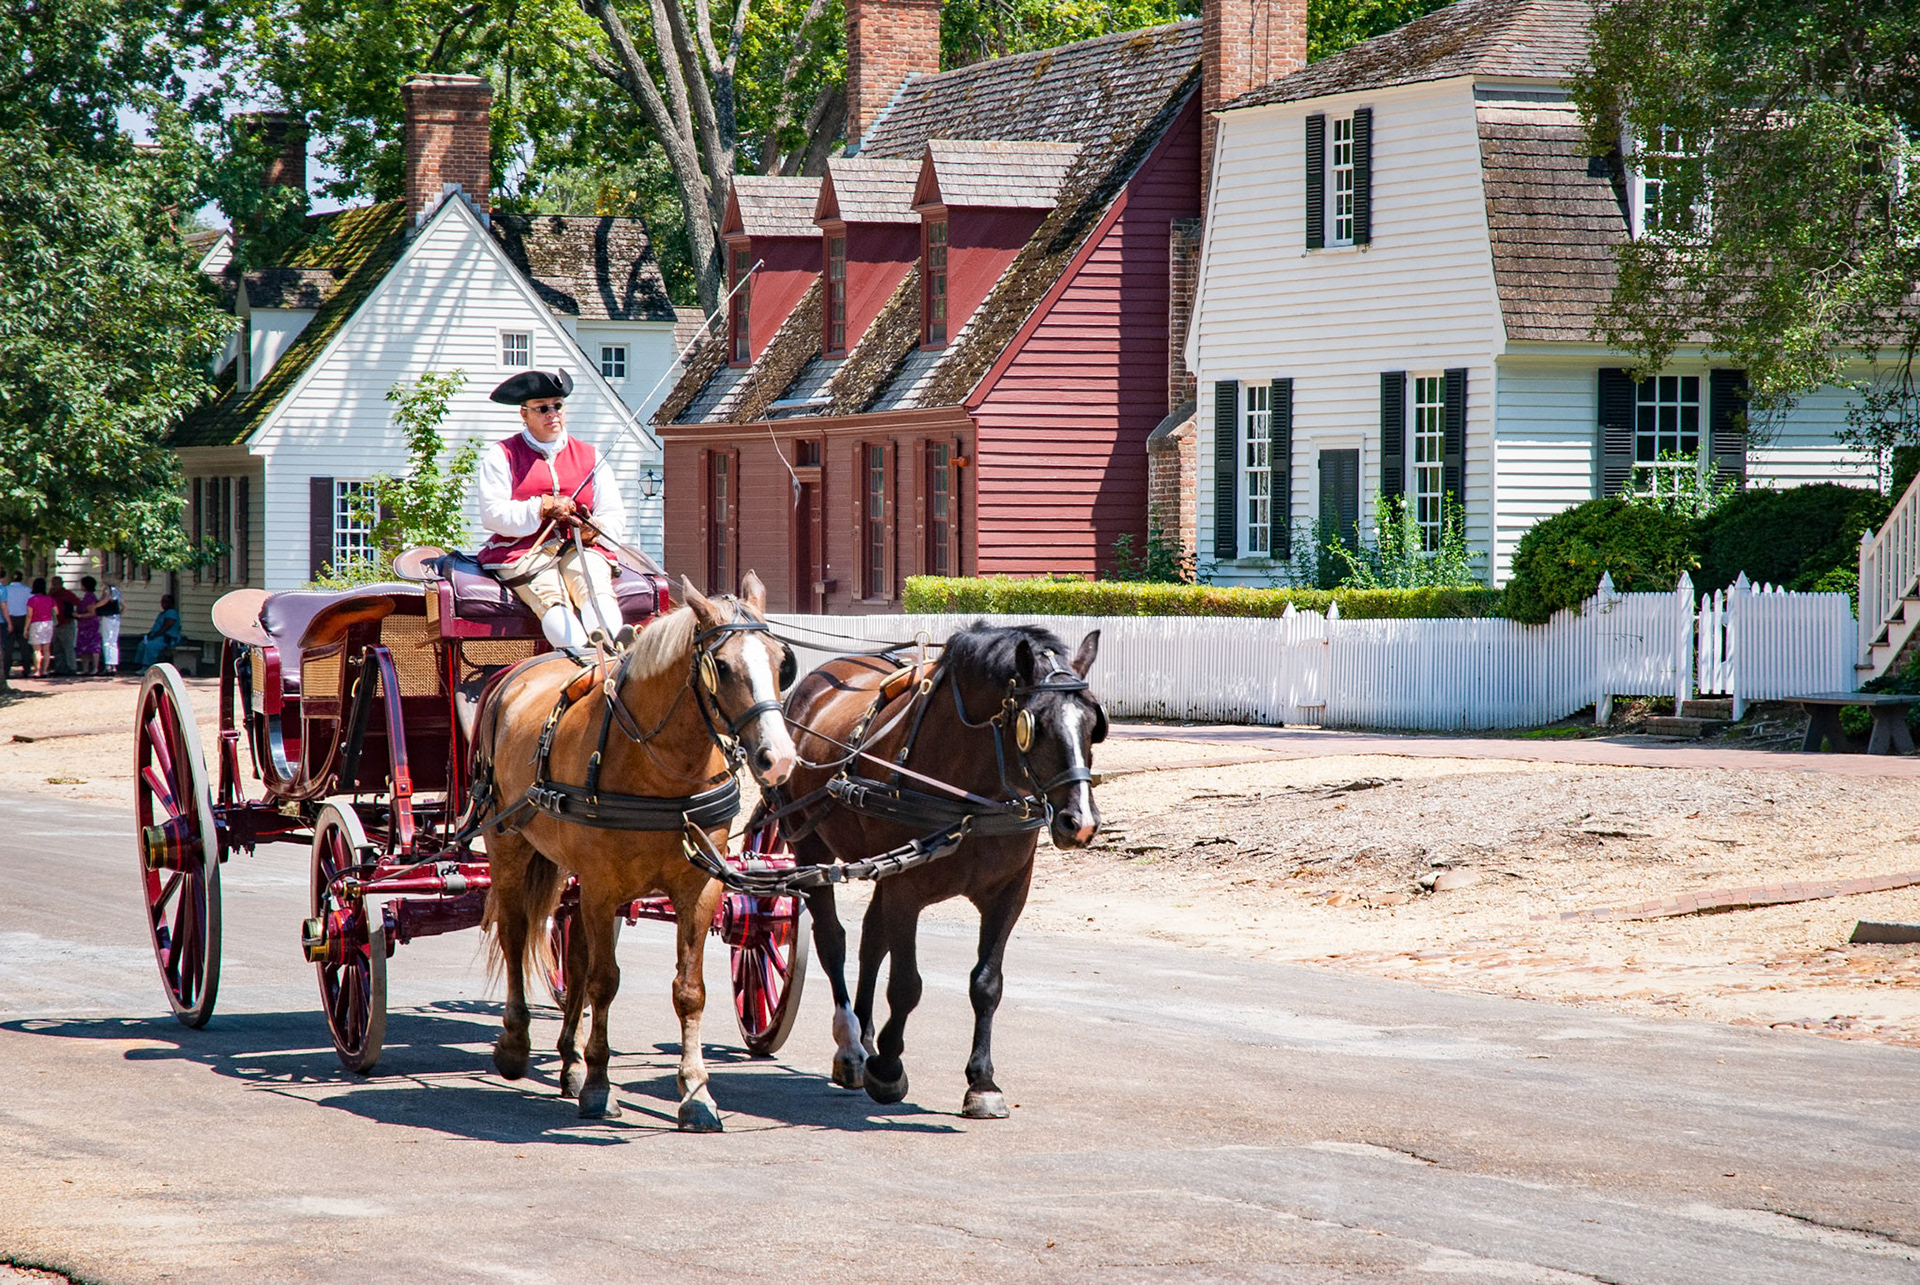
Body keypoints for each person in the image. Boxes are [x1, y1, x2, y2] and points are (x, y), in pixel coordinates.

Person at [474, 369, 630, 650]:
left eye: (557, 406)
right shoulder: (503, 455)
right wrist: (542, 507)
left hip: (580, 547)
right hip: (522, 552)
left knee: (596, 591)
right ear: (524, 414)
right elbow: (492, 513)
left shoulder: (591, 456)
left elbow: (614, 515)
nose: (552, 414)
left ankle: (611, 652)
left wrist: (592, 530)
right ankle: (578, 656)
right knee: (553, 603)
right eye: (542, 408)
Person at [134, 596, 182, 671]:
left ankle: (148, 667)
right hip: (157, 637)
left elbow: (167, 626)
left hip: (167, 638)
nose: (163, 604)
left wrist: (155, 635)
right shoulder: (162, 613)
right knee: (142, 644)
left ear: (171, 603)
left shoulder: (172, 612)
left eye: (166, 602)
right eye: (162, 602)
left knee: (151, 646)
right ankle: (139, 665)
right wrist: (149, 634)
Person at [25, 578, 55, 677]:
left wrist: (26, 628)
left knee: (37, 649)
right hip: (48, 623)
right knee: (46, 649)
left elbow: (29, 615)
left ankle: (37, 670)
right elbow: (56, 611)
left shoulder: (32, 600)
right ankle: (45, 670)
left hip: (36, 623)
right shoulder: (50, 599)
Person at [49, 576, 77, 676]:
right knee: (57, 648)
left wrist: (74, 614)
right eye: (53, 583)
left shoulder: (68, 594)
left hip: (67, 623)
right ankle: (60, 668)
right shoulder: (51, 595)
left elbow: (79, 603)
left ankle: (71, 667)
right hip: (55, 624)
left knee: (68, 646)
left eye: (57, 583)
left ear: (61, 583)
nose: (55, 585)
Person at [74, 576, 101, 676]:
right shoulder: (86, 596)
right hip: (83, 626)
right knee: (83, 648)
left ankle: (95, 668)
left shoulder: (90, 597)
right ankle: (85, 668)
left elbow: (92, 612)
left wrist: (79, 615)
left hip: (90, 626)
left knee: (93, 647)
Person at [4, 570, 26, 678]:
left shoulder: (6, 590)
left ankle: (6, 670)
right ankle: (27, 669)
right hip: (23, 618)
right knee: (24, 645)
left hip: (9, 617)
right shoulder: (27, 590)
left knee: (8, 646)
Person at [97, 581, 123, 675]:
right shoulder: (117, 591)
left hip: (107, 617)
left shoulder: (108, 589)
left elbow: (105, 600)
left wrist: (94, 606)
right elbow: (124, 606)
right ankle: (114, 665)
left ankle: (108, 665)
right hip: (116, 618)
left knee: (107, 640)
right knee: (113, 641)